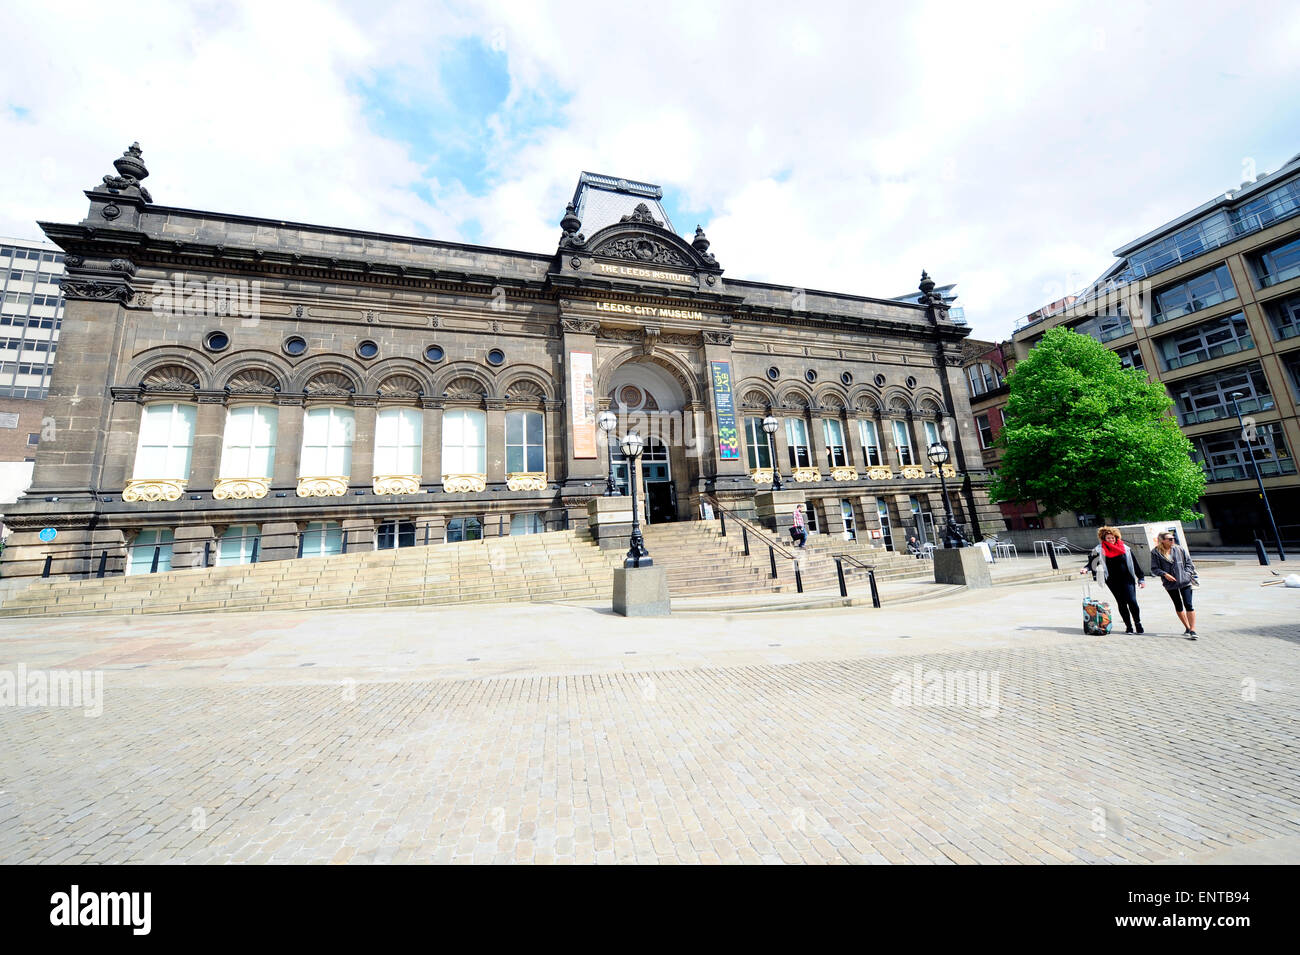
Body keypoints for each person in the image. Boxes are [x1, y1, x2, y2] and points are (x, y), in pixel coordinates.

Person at [1082, 525, 1146, 634]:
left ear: (1116, 537)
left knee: (1132, 601)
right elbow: (1092, 563)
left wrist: (1141, 578)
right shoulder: (1099, 550)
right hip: (1112, 581)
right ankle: (1129, 626)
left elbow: (1134, 564)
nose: (1111, 539)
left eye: (1112, 537)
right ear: (1104, 538)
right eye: (1108, 538)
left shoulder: (1125, 548)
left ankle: (1138, 623)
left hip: (1127, 579)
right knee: (1121, 603)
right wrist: (1086, 568)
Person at [1150, 531, 1199, 640]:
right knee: (1178, 605)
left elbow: (1189, 563)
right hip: (1170, 583)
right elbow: (1154, 568)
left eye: (1173, 538)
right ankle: (1187, 627)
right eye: (1170, 539)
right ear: (1163, 541)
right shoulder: (1155, 552)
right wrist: (1165, 574)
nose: (1173, 540)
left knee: (1188, 604)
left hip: (1184, 581)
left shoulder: (1179, 549)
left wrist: (1187, 574)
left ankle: (1193, 629)